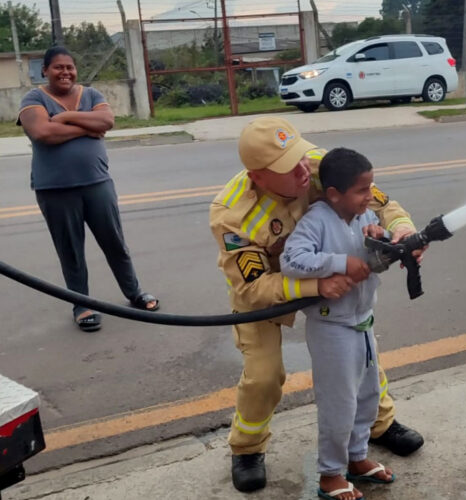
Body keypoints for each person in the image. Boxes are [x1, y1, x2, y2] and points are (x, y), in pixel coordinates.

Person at [209, 117, 424, 493]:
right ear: (257, 177)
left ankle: (379, 426)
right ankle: (247, 448)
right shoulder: (233, 214)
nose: (301, 170)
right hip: (267, 295)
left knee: (363, 359)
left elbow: (379, 202)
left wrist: (402, 230)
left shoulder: (317, 166)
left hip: (331, 289)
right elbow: (253, 288)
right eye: (285, 168)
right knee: (264, 375)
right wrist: (317, 284)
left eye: (299, 156)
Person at [17, 46, 159, 332]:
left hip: (98, 184)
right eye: (58, 67)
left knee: (115, 243)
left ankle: (134, 294)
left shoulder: (91, 94)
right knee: (71, 250)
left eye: (69, 67)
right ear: (45, 70)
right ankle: (82, 305)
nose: (65, 72)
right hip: (55, 189)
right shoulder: (33, 98)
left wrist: (66, 118)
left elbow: (106, 121)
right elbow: (43, 133)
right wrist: (88, 126)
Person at [280, 148, 395, 500]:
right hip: (332, 329)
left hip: (361, 322)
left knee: (368, 396)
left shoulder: (362, 217)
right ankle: (331, 473)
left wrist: (381, 238)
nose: (369, 196)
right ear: (334, 194)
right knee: (339, 404)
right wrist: (340, 262)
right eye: (362, 190)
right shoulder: (317, 220)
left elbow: (373, 258)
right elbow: (292, 260)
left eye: (371, 187)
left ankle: (357, 457)